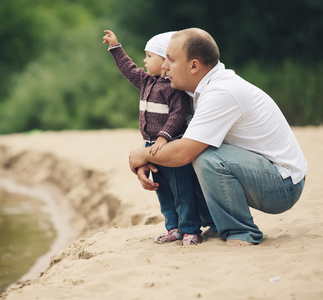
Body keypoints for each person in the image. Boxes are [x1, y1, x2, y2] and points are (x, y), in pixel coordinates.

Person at [129, 28, 307, 247]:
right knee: (188, 157)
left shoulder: (221, 92)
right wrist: (148, 159)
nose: (164, 66)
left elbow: (183, 152)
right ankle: (213, 223)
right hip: (257, 171)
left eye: (171, 60)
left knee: (204, 157)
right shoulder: (195, 91)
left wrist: (143, 155)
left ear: (194, 65)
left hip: (282, 185)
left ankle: (241, 232)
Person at [103, 30, 203, 245]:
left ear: (165, 59)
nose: (144, 61)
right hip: (151, 145)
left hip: (170, 144)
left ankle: (190, 230)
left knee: (182, 191)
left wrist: (163, 138)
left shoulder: (173, 87)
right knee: (163, 192)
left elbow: (177, 115)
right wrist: (115, 48)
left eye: (149, 56)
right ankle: (173, 228)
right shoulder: (146, 80)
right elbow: (128, 69)